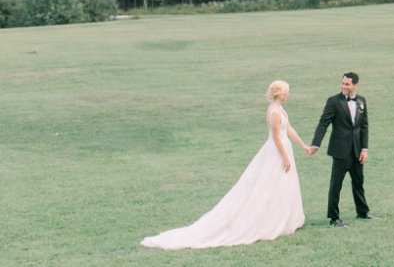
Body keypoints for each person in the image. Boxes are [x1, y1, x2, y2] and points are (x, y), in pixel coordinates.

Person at [141, 80, 310, 249]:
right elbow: (276, 136)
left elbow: (288, 128)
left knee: (281, 186)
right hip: (276, 152)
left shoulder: (280, 110)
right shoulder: (274, 111)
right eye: (286, 91)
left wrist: (303, 145)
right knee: (268, 186)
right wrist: (285, 156)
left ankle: (282, 218)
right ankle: (268, 221)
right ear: (279, 93)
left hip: (282, 150)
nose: (288, 94)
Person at [309, 72, 374, 226]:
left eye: (347, 84)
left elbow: (364, 126)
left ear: (355, 85)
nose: (344, 86)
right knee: (336, 184)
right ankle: (334, 217)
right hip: (340, 150)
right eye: (343, 83)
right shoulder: (333, 101)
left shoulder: (361, 101)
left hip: (357, 150)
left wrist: (364, 149)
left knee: (358, 181)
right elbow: (323, 123)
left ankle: (362, 212)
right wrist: (315, 144)